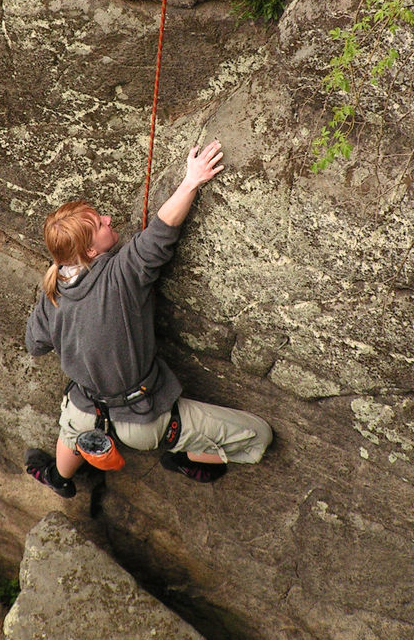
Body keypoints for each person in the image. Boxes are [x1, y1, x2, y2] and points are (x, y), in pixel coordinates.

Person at [24, 140, 273, 498]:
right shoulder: (120, 274)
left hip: (86, 408)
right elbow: (160, 232)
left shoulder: (54, 291)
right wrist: (191, 182)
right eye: (99, 223)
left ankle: (59, 479)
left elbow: (35, 344)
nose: (108, 219)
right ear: (91, 250)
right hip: (144, 421)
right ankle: (186, 456)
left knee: (72, 427)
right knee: (258, 435)